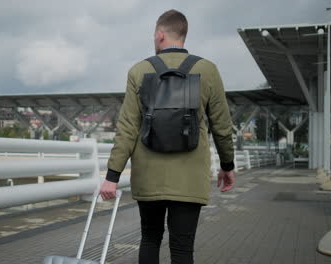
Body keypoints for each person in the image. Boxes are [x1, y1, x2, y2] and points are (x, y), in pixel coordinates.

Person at [100, 10, 235, 264]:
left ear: (160, 35)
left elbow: (127, 128)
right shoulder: (208, 70)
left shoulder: (138, 71)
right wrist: (227, 166)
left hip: (149, 177)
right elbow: (222, 126)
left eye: (154, 34)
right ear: (183, 34)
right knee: (183, 248)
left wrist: (112, 176)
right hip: (190, 178)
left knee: (150, 239)